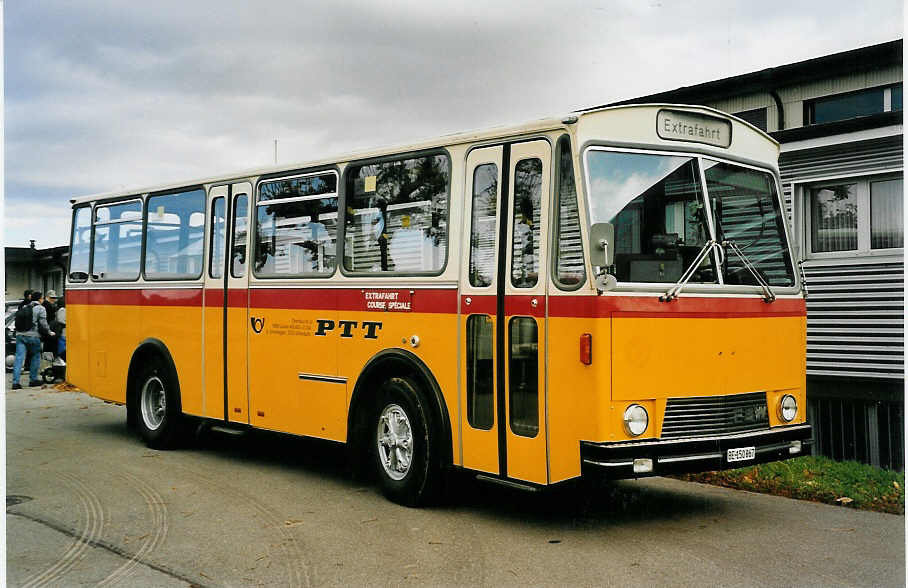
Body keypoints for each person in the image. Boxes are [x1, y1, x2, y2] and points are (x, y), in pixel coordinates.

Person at [11, 291, 54, 389]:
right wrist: (49, 332)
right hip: (33, 336)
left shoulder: (24, 307)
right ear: (39, 299)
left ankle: (15, 382)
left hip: (20, 335)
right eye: (42, 298)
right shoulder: (40, 308)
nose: (43, 300)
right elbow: (43, 323)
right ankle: (33, 379)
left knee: (19, 358)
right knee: (36, 355)